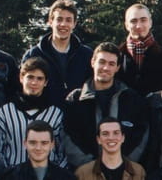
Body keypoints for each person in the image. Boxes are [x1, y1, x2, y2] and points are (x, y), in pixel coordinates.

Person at [64, 42, 149, 170]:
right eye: (102, 62)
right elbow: (67, 136)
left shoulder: (132, 100)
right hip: (85, 172)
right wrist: (91, 167)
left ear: (117, 67)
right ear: (93, 62)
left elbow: (141, 136)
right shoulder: (75, 100)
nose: (105, 68)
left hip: (124, 172)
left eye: (111, 64)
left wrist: (122, 165)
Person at [0, 57, 66, 168]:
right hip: (13, 174)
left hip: (47, 175)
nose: (34, 82)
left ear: (45, 82)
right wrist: (7, 174)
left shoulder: (55, 114)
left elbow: (62, 152)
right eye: (30, 77)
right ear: (21, 78)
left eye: (39, 79)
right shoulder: (6, 112)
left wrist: (55, 175)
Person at [22, 0, 93, 107]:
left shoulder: (86, 55)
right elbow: (23, 89)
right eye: (59, 19)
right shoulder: (34, 55)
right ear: (50, 21)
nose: (63, 24)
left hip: (77, 114)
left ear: (74, 24)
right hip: (44, 114)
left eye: (68, 20)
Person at [117, 3, 162, 97]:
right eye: (133, 21)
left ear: (150, 23)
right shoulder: (117, 56)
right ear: (126, 25)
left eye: (143, 20)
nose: (139, 26)